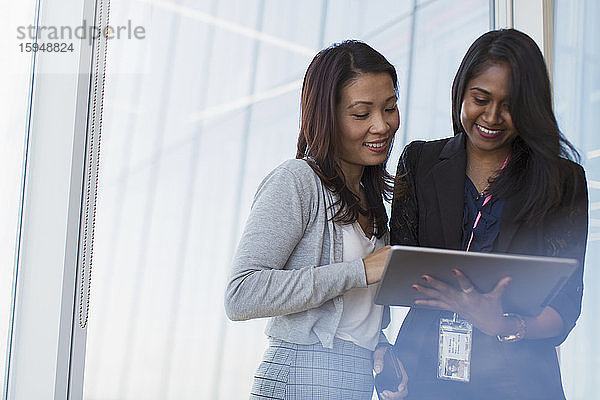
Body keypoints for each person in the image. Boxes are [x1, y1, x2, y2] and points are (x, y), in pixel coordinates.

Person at [383, 29, 588, 399]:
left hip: (519, 381)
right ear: (461, 91)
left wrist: (504, 323)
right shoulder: (419, 161)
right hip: (424, 373)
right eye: (480, 98)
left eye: (510, 105)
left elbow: (566, 304)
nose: (492, 116)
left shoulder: (562, 181)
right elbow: (400, 265)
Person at [225, 40, 407, 399]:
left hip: (352, 380)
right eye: (361, 114)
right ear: (327, 117)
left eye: (390, 107)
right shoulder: (297, 181)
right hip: (301, 375)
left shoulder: (371, 197)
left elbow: (352, 316)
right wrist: (362, 270)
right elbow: (241, 294)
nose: (382, 125)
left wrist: (379, 343)